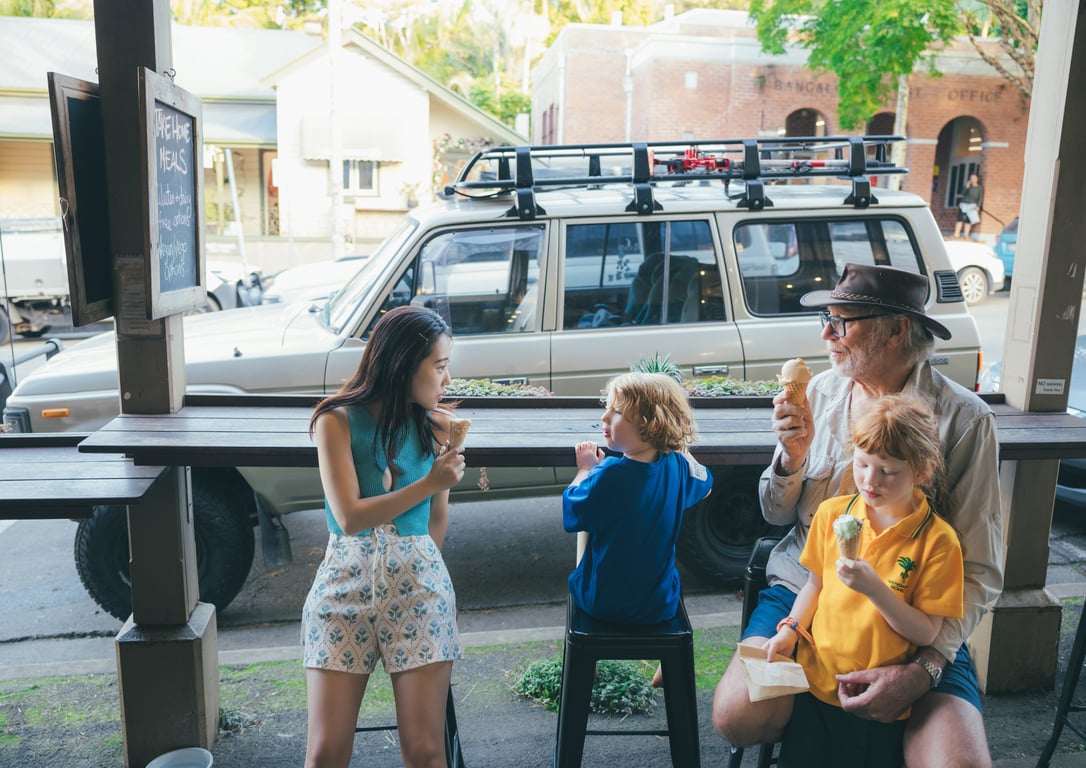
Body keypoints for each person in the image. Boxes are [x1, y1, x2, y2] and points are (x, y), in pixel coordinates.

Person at [712, 262, 1002, 768]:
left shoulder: (963, 421)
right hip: (806, 591)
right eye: (827, 317)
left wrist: (927, 668)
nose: (826, 333)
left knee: (959, 764)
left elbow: (980, 570)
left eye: (843, 321)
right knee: (736, 716)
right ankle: (815, 705)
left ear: (897, 331)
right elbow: (776, 517)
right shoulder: (819, 395)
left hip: (910, 614)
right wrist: (792, 457)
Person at [301, 305, 467, 768]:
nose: (447, 380)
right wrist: (431, 483)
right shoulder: (335, 421)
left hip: (419, 589)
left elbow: (434, 531)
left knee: (426, 750)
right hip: (342, 589)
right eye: (439, 366)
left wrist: (447, 463)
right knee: (325, 753)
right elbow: (350, 517)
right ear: (401, 364)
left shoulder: (435, 426)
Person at [764, 394, 964, 767]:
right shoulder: (831, 514)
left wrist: (875, 589)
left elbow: (925, 633)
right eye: (861, 464)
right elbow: (814, 585)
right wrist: (790, 630)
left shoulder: (937, 541)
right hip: (816, 683)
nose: (870, 481)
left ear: (922, 471)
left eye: (887, 471)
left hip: (878, 699)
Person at [563, 372, 713, 626]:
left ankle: (588, 666)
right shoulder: (676, 466)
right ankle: (669, 667)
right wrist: (680, 448)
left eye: (617, 412)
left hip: (604, 602)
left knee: (578, 576)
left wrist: (585, 470)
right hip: (659, 603)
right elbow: (706, 483)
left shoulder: (608, 474)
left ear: (650, 425)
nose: (604, 417)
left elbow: (572, 509)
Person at [953, 173, 984, 240]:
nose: (972, 179)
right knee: (960, 219)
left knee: (968, 220)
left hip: (972, 205)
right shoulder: (968, 186)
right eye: (971, 178)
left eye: (974, 178)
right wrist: (966, 187)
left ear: (977, 179)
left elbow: (980, 198)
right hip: (964, 204)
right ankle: (956, 234)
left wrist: (978, 206)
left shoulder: (979, 188)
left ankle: (966, 235)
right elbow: (963, 193)